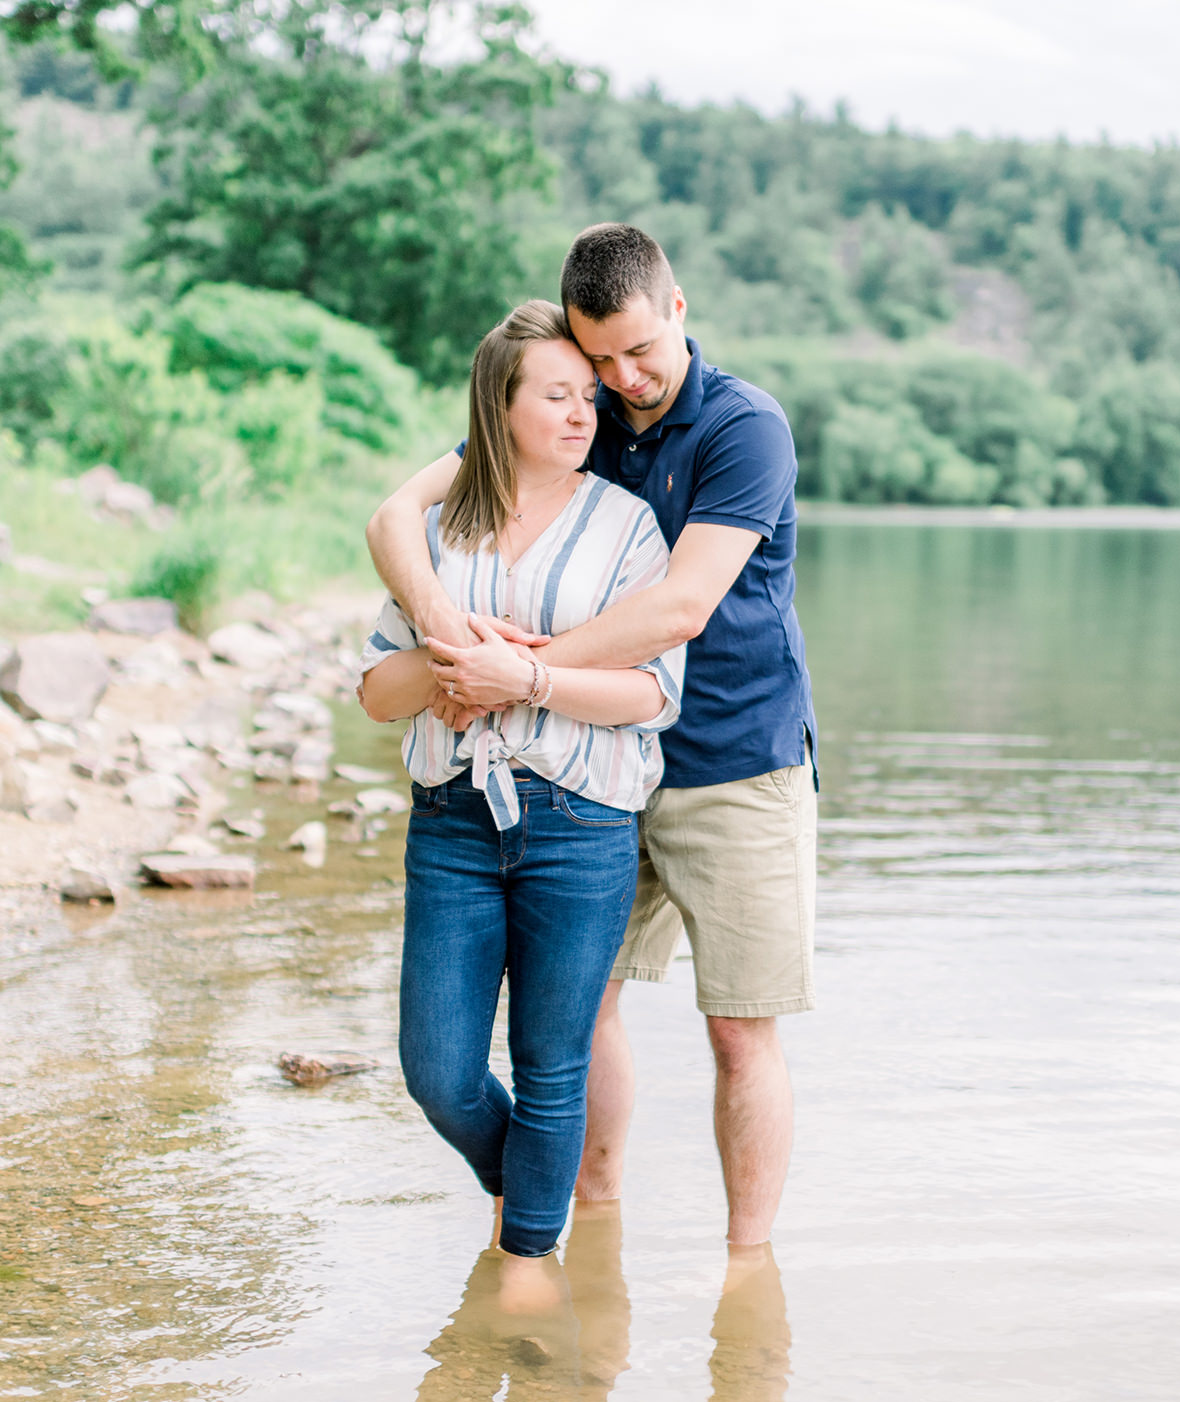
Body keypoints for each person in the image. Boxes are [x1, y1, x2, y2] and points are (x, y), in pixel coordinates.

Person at [367, 223, 816, 1250]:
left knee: (742, 1031)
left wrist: (521, 675)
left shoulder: (746, 427)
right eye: (596, 357)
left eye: (638, 352)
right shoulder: (579, 408)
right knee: (581, 1018)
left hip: (733, 764)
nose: (621, 378)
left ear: (679, 309)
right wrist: (443, 627)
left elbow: (681, 608)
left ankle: (748, 1269)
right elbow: (398, 516)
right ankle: (584, 1224)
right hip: (587, 779)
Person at [356, 298, 686, 1313]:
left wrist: (526, 681)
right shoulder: (436, 535)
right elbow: (376, 692)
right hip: (452, 819)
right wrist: (453, 657)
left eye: (588, 396)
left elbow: (651, 693)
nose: (584, 412)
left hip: (581, 820)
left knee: (553, 1063)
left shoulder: (628, 527)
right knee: (439, 1068)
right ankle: (524, 1196)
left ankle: (529, 1263)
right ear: (499, 406)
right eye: (557, 394)